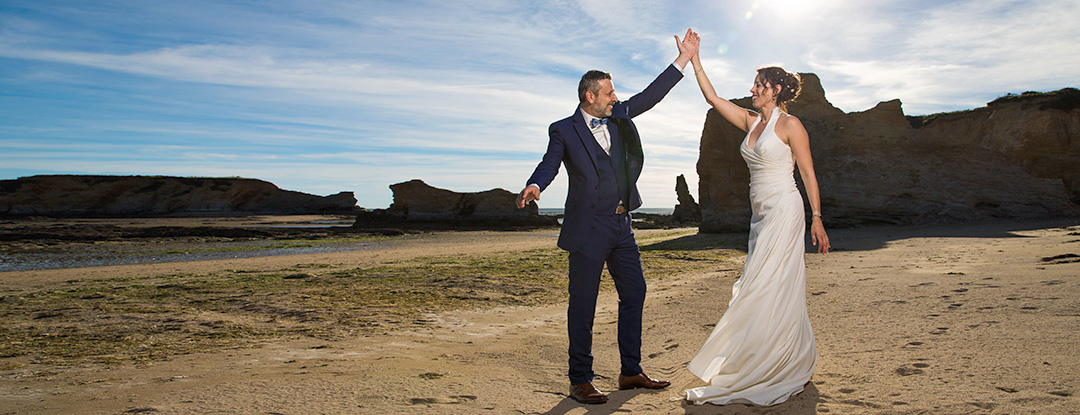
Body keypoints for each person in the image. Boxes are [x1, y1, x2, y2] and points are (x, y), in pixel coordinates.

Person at [515, 29, 700, 405]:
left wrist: (683, 59)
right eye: (610, 93)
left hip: (621, 225)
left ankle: (630, 370)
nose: (615, 98)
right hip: (587, 228)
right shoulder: (563, 130)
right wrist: (536, 185)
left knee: (635, 292)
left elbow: (649, 97)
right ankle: (580, 379)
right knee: (582, 303)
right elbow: (549, 163)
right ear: (590, 96)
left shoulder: (617, 116)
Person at [683, 31, 830, 406]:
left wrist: (817, 217)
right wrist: (695, 59)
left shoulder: (790, 125)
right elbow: (713, 99)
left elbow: (809, 174)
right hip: (760, 216)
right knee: (761, 284)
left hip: (784, 210)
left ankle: (774, 364)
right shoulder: (751, 123)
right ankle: (768, 355)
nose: (753, 89)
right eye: (754, 84)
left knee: (764, 285)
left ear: (777, 89)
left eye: (760, 85)